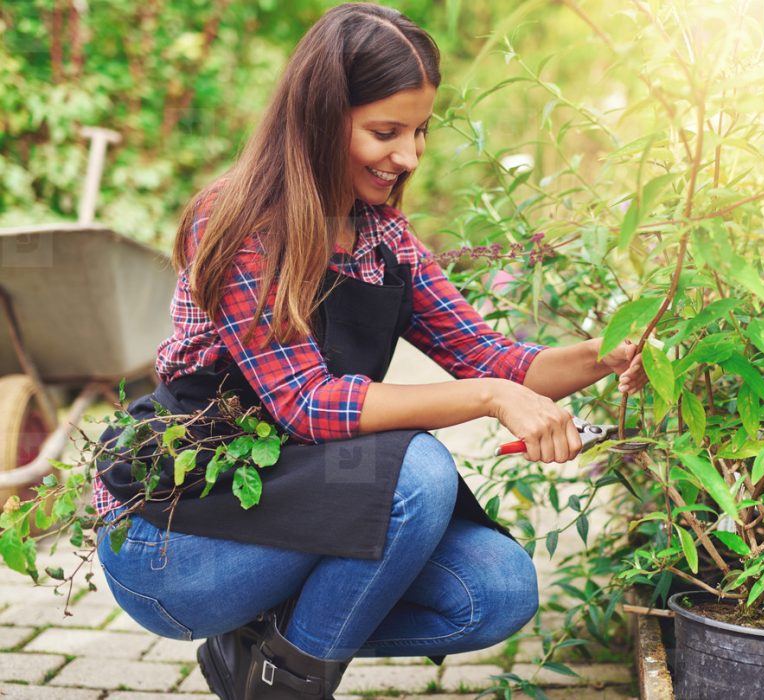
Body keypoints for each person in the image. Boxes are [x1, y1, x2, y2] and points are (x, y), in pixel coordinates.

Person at [93, 4, 646, 699]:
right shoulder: (237, 223)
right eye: (386, 132)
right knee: (413, 475)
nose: (410, 156)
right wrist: (489, 400)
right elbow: (309, 405)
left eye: (419, 131)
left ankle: (259, 655)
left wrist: (611, 350)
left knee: (495, 590)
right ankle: (282, 688)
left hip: (294, 504)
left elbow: (500, 362)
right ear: (322, 116)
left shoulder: (383, 238)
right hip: (177, 535)